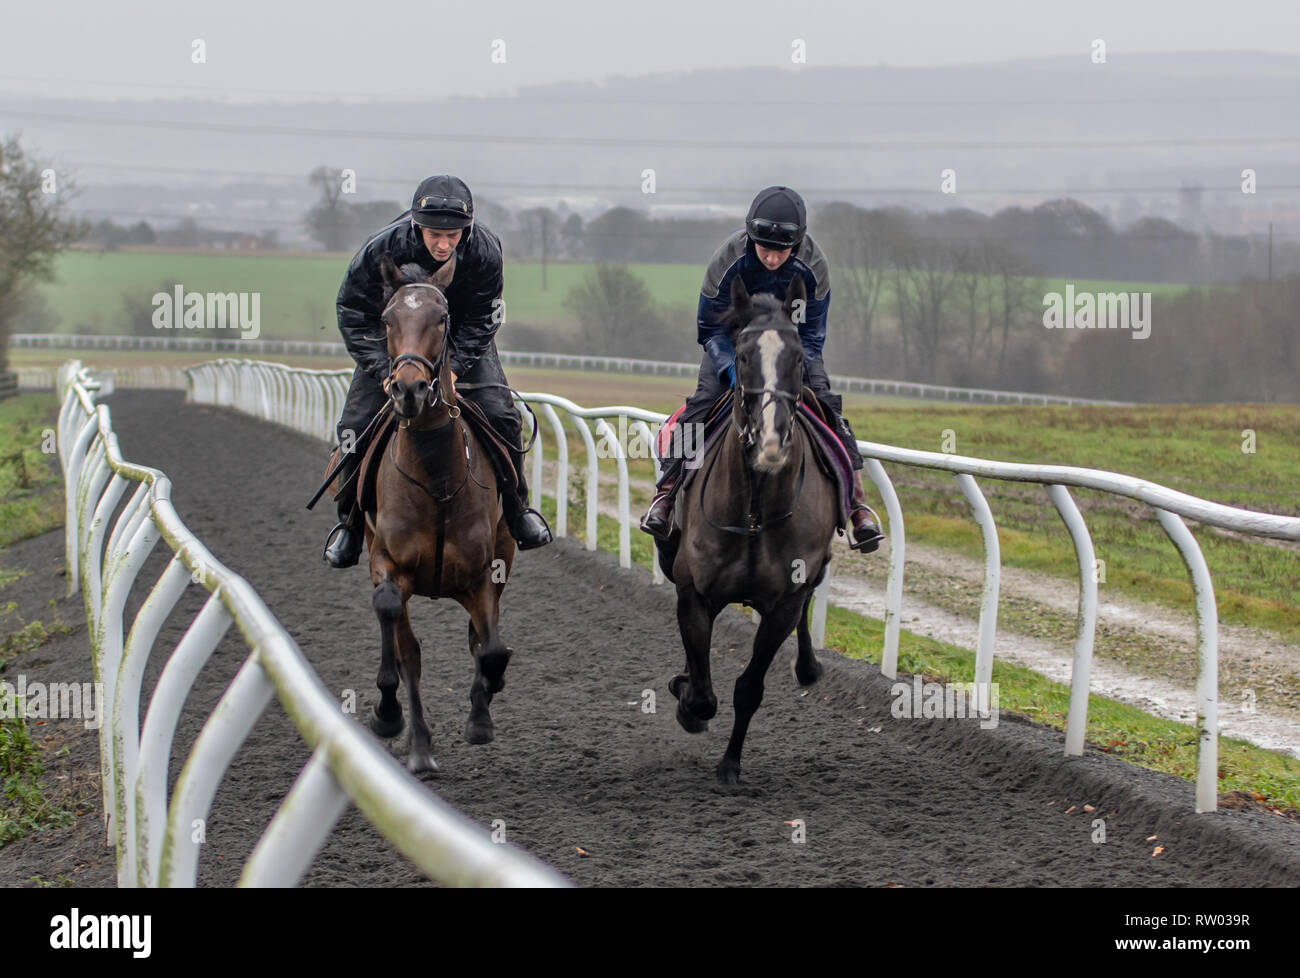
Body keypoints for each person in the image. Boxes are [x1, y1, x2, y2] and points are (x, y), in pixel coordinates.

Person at [323, 174, 552, 567]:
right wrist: (382, 367)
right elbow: (351, 313)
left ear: (468, 228)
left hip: (459, 335)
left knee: (502, 415)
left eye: (454, 235)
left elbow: (484, 316)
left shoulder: (483, 250)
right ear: (415, 224)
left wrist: (456, 367)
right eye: (434, 234)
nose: (444, 244)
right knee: (354, 425)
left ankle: (518, 510)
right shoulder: (382, 249)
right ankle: (349, 524)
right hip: (397, 342)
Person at [639, 185, 884, 552]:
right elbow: (709, 329)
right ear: (751, 237)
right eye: (764, 249)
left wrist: (788, 369)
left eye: (781, 250)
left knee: (830, 408)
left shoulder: (814, 266)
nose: (771, 259)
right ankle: (667, 494)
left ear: (796, 245)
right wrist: (734, 372)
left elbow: (814, 335)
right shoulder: (728, 259)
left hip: (790, 350)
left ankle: (858, 507)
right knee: (701, 405)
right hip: (732, 347)